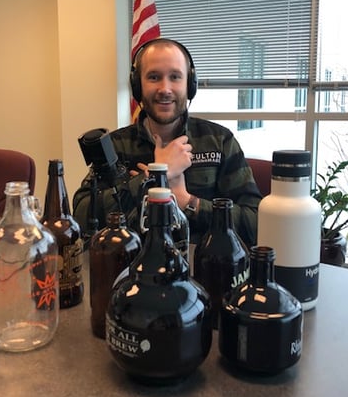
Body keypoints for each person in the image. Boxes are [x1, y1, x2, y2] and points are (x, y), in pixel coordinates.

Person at [72, 38, 262, 247]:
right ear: (137, 86)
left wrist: (188, 202)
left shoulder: (219, 141)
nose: (165, 88)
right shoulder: (116, 146)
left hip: (207, 270)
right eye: (154, 77)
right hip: (133, 269)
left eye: (175, 77)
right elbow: (81, 216)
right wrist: (151, 177)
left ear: (189, 84)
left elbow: (255, 223)